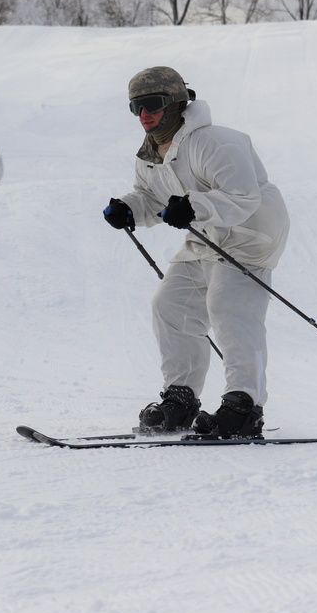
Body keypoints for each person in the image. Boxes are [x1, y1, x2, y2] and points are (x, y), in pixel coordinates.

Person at [103, 66, 290, 438]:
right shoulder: (150, 155)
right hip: (205, 235)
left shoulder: (217, 142)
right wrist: (129, 208)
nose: (144, 114)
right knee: (170, 305)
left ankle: (245, 406)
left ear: (174, 103)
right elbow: (151, 198)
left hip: (249, 231)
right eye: (135, 107)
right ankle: (181, 399)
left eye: (152, 104)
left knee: (228, 307)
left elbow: (243, 196)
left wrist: (193, 206)